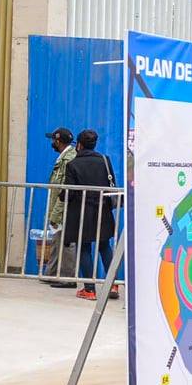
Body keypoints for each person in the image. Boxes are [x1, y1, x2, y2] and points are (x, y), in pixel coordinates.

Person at [63, 129, 120, 300]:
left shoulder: (72, 165)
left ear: (79, 145)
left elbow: (69, 193)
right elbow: (111, 184)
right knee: (104, 246)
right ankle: (113, 285)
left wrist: (61, 195)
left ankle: (89, 290)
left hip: (82, 213)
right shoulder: (105, 160)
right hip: (103, 210)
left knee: (84, 247)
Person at [43, 127, 78, 287]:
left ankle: (67, 277)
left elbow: (65, 189)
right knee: (57, 240)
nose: (52, 143)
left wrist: (56, 213)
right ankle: (52, 273)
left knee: (66, 242)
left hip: (65, 207)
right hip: (60, 206)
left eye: (53, 140)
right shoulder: (64, 157)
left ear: (58, 141)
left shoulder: (69, 159)